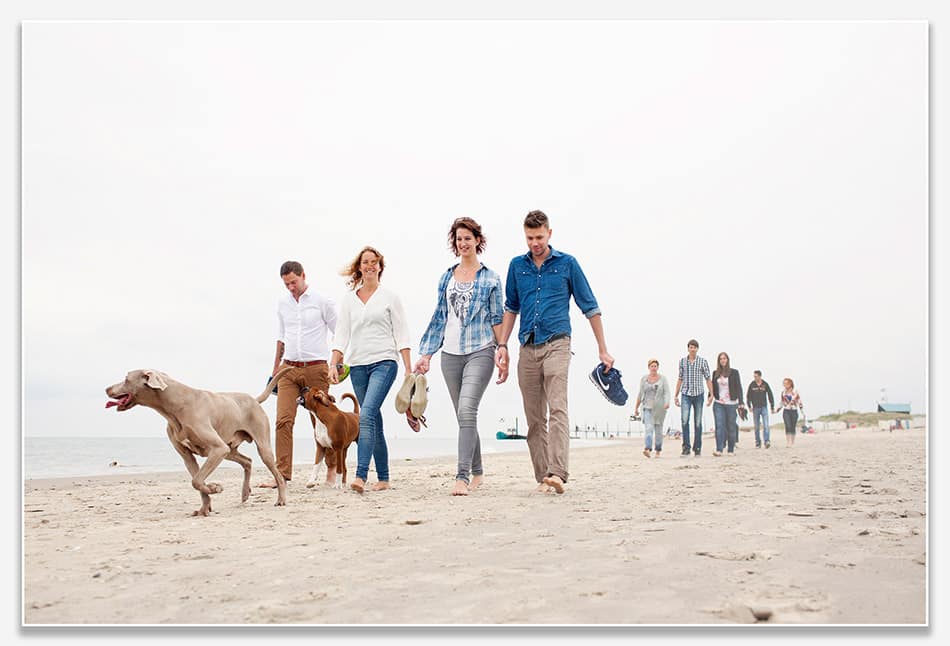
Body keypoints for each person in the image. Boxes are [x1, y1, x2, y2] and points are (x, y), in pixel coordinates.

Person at [496, 210, 614, 495]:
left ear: (549, 233)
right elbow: (511, 308)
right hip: (527, 346)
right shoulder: (516, 266)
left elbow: (590, 306)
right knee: (534, 417)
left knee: (558, 407)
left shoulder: (567, 264)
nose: (534, 243)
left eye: (539, 237)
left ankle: (558, 473)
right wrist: (502, 345)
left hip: (558, 343)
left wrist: (603, 349)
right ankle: (543, 477)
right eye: (529, 238)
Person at [415, 217, 506, 496]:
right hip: (450, 354)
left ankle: (462, 476)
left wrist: (502, 349)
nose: (463, 243)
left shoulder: (491, 278)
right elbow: (440, 317)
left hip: (481, 349)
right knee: (462, 415)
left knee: (467, 410)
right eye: (458, 239)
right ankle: (478, 472)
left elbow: (497, 317)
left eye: (468, 238)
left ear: (478, 240)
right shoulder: (446, 277)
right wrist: (427, 354)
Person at [330, 246, 412, 493]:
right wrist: (333, 362)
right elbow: (341, 334)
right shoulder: (349, 300)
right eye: (365, 262)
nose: (369, 266)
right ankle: (384, 477)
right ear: (359, 267)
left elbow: (402, 333)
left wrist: (408, 369)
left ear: (380, 267)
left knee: (365, 416)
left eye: (374, 262)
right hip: (357, 366)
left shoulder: (389, 297)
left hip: (385, 362)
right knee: (373, 420)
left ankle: (360, 476)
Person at [260, 260, 337, 488]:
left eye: (294, 282)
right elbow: (281, 336)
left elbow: (339, 333)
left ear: (303, 275)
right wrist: (276, 368)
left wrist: (336, 363)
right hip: (288, 369)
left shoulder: (322, 301)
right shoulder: (283, 303)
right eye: (286, 284)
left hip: (316, 367)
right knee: (283, 420)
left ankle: (332, 469)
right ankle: (282, 474)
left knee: (322, 422)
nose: (291, 287)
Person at [673, 339, 713, 457]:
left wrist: (711, 394)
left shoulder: (703, 362)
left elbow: (708, 378)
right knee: (685, 421)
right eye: (691, 347)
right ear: (688, 348)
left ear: (697, 349)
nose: (693, 349)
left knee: (698, 422)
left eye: (695, 347)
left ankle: (697, 447)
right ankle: (686, 447)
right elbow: (680, 378)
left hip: (699, 394)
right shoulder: (682, 362)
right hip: (685, 394)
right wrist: (676, 395)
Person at [633, 359, 670, 458]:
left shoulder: (663, 379)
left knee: (658, 431)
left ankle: (658, 450)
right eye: (652, 366)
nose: (653, 368)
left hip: (659, 409)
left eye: (655, 366)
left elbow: (667, 392)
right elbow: (640, 394)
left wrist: (667, 402)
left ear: (658, 367)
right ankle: (647, 449)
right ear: (649, 367)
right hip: (647, 408)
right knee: (649, 428)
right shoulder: (644, 379)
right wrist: (636, 408)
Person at [710, 352, 744, 456]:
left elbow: (739, 387)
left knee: (731, 426)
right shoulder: (715, 373)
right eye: (721, 359)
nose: (723, 360)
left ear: (727, 360)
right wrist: (710, 397)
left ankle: (730, 450)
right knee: (719, 425)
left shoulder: (734, 372)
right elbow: (713, 387)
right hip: (719, 403)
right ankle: (719, 449)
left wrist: (741, 402)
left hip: (731, 403)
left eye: (724, 358)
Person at [746, 370, 776, 448]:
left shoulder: (765, 384)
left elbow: (770, 395)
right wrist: (749, 406)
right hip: (755, 408)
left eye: (756, 376)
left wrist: (772, 406)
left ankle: (767, 441)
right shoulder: (752, 385)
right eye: (754, 376)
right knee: (756, 426)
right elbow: (748, 396)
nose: (755, 378)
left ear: (760, 376)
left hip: (764, 407)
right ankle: (758, 442)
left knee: (766, 425)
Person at [775, 377, 804, 447]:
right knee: (787, 426)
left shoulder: (795, 392)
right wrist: (777, 409)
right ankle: (788, 442)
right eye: (783, 383)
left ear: (790, 384)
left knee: (792, 426)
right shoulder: (783, 393)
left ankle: (793, 442)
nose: (784, 385)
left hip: (794, 410)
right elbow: (782, 402)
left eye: (786, 383)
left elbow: (799, 401)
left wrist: (802, 410)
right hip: (786, 411)